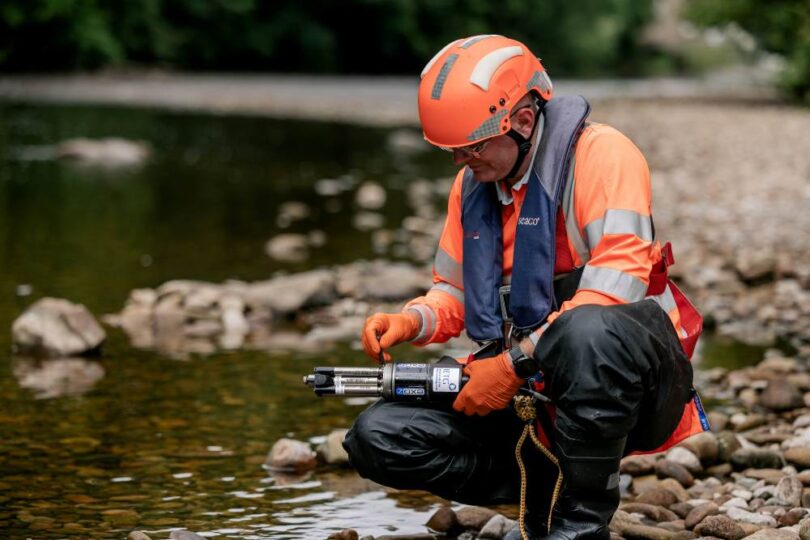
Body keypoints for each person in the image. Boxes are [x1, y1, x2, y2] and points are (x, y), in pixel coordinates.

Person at [343, 35, 707, 540]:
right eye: (451, 149)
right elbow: (455, 292)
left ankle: (581, 522)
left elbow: (614, 293)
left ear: (523, 120)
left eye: (471, 146)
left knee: (587, 331)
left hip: (632, 382)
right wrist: (412, 320)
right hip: (532, 392)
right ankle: (542, 483)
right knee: (375, 436)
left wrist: (510, 366)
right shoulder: (472, 184)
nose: (460, 161)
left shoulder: (603, 156)